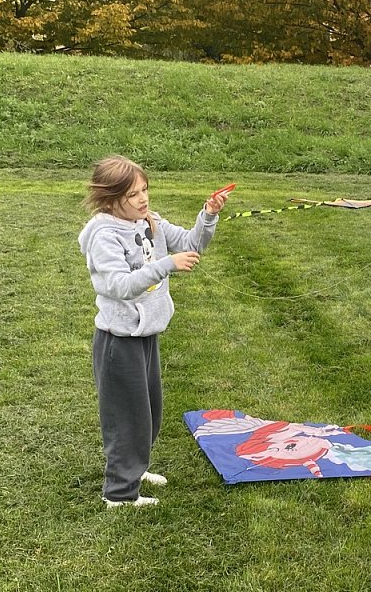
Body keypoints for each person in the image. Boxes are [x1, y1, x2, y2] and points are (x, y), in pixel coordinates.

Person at [78, 155, 229, 508]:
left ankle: (135, 468)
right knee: (127, 418)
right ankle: (119, 494)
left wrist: (208, 214)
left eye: (145, 189)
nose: (143, 198)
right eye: (133, 194)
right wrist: (165, 265)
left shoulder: (150, 221)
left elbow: (192, 244)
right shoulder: (104, 235)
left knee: (149, 412)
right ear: (110, 198)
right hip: (119, 340)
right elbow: (119, 285)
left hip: (146, 334)